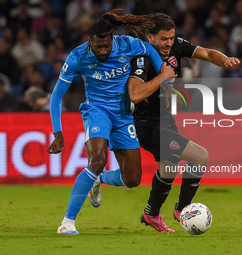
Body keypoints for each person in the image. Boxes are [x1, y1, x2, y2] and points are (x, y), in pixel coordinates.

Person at [47, 9, 176, 235]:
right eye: (99, 46)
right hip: (96, 110)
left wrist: (164, 82)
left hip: (124, 114)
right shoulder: (78, 56)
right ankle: (67, 222)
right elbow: (57, 95)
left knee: (133, 178)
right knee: (97, 159)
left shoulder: (126, 44)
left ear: (112, 39)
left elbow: (150, 51)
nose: (103, 50)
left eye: (107, 45)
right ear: (90, 41)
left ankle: (98, 179)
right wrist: (57, 132)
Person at [126, 13, 240, 232]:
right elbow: (134, 94)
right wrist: (162, 77)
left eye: (171, 37)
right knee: (200, 156)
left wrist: (224, 59)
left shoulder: (176, 46)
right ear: (150, 37)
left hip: (165, 119)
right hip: (146, 125)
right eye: (163, 38)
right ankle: (184, 208)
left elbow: (206, 53)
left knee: (168, 171)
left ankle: (151, 214)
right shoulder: (142, 58)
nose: (169, 43)